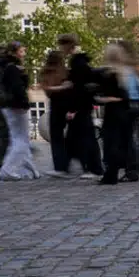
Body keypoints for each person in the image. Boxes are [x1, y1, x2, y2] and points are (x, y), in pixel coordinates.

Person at [96, 42, 139, 184]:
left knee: (113, 142)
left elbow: (119, 94)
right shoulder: (129, 71)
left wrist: (107, 99)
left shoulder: (109, 72)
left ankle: (113, 173)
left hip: (117, 110)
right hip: (130, 109)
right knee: (127, 141)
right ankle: (130, 170)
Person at [58, 34, 102, 179]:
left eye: (61, 46)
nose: (60, 49)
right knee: (73, 139)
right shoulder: (78, 62)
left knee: (86, 138)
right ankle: (65, 167)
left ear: (67, 46)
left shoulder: (78, 64)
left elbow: (80, 89)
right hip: (82, 106)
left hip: (81, 107)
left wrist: (73, 109)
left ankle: (94, 168)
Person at [0, 41, 38, 181]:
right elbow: (17, 87)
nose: (23, 54)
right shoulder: (13, 68)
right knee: (21, 140)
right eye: (21, 51)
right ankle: (8, 170)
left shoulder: (5, 66)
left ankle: (28, 170)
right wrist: (24, 103)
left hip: (9, 105)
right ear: (15, 53)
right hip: (15, 106)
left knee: (17, 138)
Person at [40, 49, 73, 177]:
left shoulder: (47, 72)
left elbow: (47, 90)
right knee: (70, 135)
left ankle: (60, 166)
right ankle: (67, 163)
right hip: (67, 103)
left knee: (56, 136)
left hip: (56, 104)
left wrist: (55, 89)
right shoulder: (66, 72)